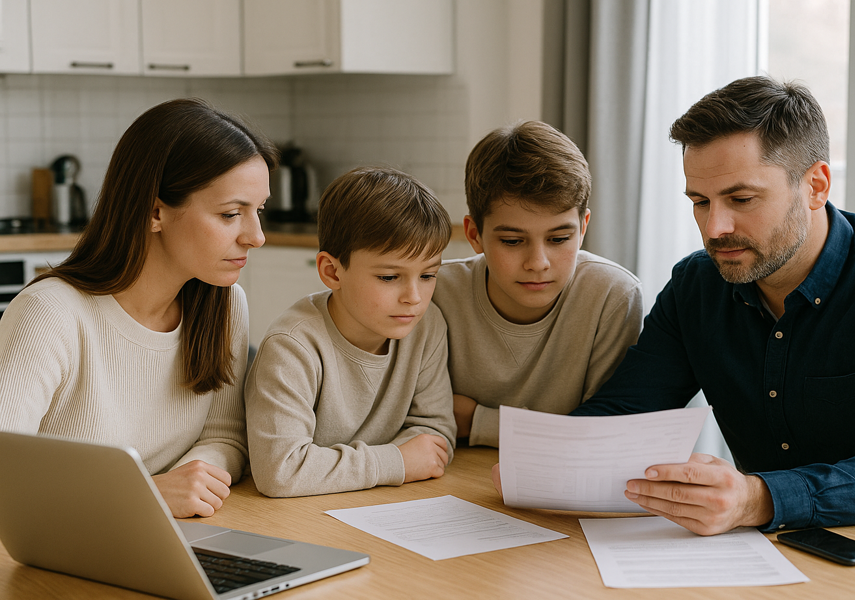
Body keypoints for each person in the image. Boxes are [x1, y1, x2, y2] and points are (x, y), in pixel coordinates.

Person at [556, 76, 855, 536]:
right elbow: (626, 413)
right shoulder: (698, 286)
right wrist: (546, 461)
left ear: (815, 185)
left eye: (741, 199)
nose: (714, 227)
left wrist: (759, 499)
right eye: (700, 202)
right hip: (788, 547)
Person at [0, 98, 277, 518]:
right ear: (155, 211)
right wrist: (145, 496)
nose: (256, 236)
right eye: (230, 214)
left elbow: (226, 437)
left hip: (167, 535)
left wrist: (182, 489)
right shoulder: (49, 314)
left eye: (258, 211)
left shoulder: (224, 303)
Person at [245, 166, 457, 497]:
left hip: (372, 501)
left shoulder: (427, 327)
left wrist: (391, 463)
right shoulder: (292, 346)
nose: (414, 298)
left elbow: (434, 435)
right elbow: (280, 471)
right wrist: (397, 461)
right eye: (389, 277)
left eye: (428, 276)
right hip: (290, 516)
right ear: (332, 272)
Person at [433, 121, 643, 447]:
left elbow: (602, 434)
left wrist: (476, 420)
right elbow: (409, 418)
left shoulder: (612, 295)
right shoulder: (435, 292)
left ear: (583, 226)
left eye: (559, 238)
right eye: (513, 241)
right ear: (474, 234)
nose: (538, 262)